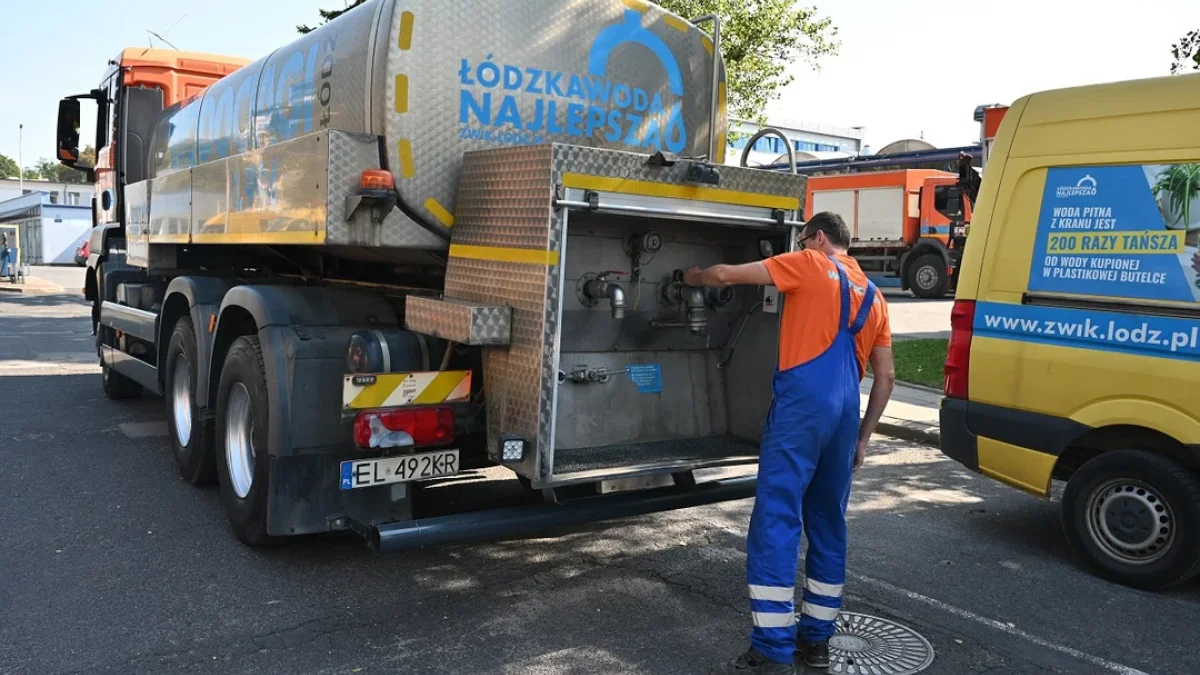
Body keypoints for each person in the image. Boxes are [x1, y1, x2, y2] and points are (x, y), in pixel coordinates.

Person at [684, 212, 895, 674]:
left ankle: (772, 645)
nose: (801, 245)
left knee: (777, 519)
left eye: (803, 239)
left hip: (802, 411)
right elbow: (886, 378)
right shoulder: (874, 296)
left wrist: (693, 276)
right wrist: (862, 439)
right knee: (827, 523)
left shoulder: (808, 263)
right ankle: (816, 641)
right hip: (843, 416)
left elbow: (725, 276)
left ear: (818, 238)